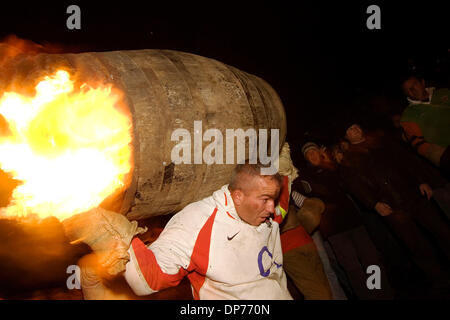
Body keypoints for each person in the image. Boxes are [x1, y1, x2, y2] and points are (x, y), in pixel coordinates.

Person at [124, 162, 293, 300]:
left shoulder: (262, 212)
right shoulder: (198, 222)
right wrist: (122, 239)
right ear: (238, 196)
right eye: (265, 200)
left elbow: (282, 202)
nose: (272, 208)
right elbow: (145, 279)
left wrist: (285, 168)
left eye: (274, 199)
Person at [339, 122, 450, 290]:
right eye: (350, 129)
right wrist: (374, 204)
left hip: (413, 195)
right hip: (391, 207)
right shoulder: (349, 160)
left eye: (355, 126)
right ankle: (440, 280)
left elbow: (406, 161)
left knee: (442, 230)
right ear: (346, 137)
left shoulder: (382, 142)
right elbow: (356, 187)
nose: (354, 130)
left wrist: (421, 181)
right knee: (417, 245)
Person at [298, 142, 394, 299]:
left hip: (353, 221)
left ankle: (381, 293)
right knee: (352, 267)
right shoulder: (305, 177)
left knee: (371, 259)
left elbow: (347, 183)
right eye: (309, 154)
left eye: (314, 151)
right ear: (306, 158)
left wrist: (330, 163)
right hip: (333, 229)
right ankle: (367, 296)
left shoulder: (335, 168)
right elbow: (317, 192)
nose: (313, 155)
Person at [274, 142, 333, 300]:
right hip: (289, 249)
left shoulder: (288, 189)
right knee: (320, 295)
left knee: (325, 289)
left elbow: (310, 204)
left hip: (305, 241)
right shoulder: (263, 193)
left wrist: (310, 213)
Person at [400, 75, 450, 176]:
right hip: (445, 153)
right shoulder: (408, 115)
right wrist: (442, 157)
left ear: (422, 82)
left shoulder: (445, 93)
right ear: (406, 94)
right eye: (409, 89)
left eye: (415, 84)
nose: (413, 90)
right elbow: (418, 144)